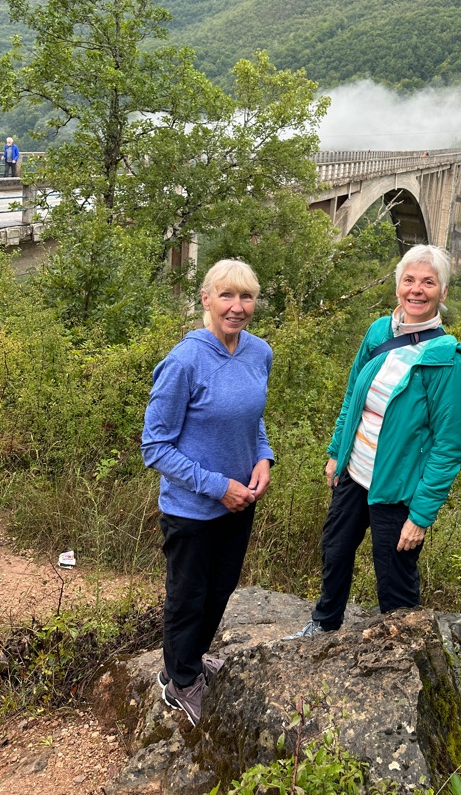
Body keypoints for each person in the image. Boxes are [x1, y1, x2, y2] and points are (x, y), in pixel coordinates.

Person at [286, 244, 461, 639]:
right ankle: (324, 623)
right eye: (409, 280)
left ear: (443, 292)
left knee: (395, 578)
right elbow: (353, 396)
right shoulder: (379, 333)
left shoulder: (447, 359)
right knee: (335, 551)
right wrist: (336, 452)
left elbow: (447, 448)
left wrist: (420, 517)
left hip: (398, 489)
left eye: (428, 282)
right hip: (355, 471)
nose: (416, 290)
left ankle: (404, 649)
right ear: (397, 285)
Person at [141, 259, 274, 726]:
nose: (237, 307)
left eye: (246, 297)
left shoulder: (259, 352)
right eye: (226, 295)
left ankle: (191, 661)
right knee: (188, 596)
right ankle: (178, 681)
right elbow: (154, 446)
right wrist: (218, 488)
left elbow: (252, 418)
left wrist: (263, 457)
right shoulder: (184, 361)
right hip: (192, 510)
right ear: (206, 299)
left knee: (220, 590)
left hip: (240, 504)